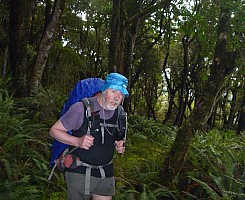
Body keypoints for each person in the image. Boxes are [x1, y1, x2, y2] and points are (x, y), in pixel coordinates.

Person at [49, 72, 129, 200]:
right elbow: (54, 131)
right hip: (79, 172)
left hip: (105, 173)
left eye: (121, 94)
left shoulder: (120, 113)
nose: (117, 97)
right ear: (104, 90)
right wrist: (77, 141)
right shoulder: (81, 108)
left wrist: (119, 144)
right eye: (113, 91)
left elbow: (113, 137)